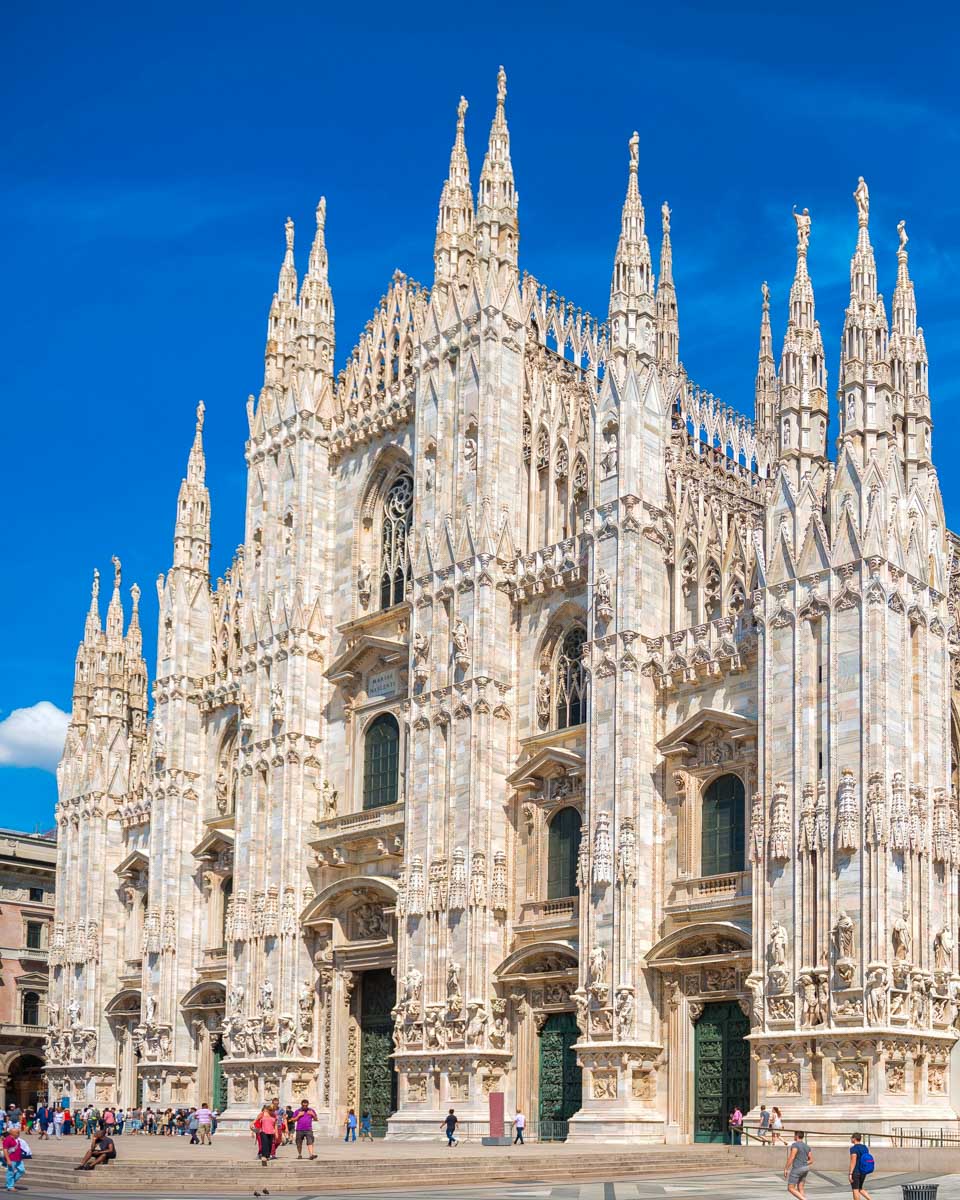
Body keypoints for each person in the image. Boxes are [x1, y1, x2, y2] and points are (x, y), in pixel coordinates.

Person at [784, 1130, 813, 1199]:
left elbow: (792, 1157)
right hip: (806, 1168)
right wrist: (804, 1163)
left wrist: (786, 1168)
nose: (793, 1137)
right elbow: (811, 1160)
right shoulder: (807, 1146)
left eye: (794, 1135)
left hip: (797, 1168)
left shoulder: (795, 1145)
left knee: (790, 1188)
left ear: (796, 1136)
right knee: (800, 1187)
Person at [848, 1133, 875, 1200]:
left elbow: (853, 1161)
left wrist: (850, 1173)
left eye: (851, 1138)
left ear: (854, 1139)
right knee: (860, 1188)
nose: (851, 1139)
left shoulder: (853, 1148)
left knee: (855, 1189)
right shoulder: (865, 1147)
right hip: (863, 1171)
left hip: (856, 1172)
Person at [1, 1126, 24, 1192]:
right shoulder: (7, 1139)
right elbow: (5, 1150)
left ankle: (10, 1182)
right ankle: (10, 1186)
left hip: (19, 1158)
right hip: (11, 1159)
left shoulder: (17, 1139)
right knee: (10, 1172)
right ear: (12, 1133)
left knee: (22, 1170)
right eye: (17, 1132)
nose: (19, 1133)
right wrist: (8, 1160)